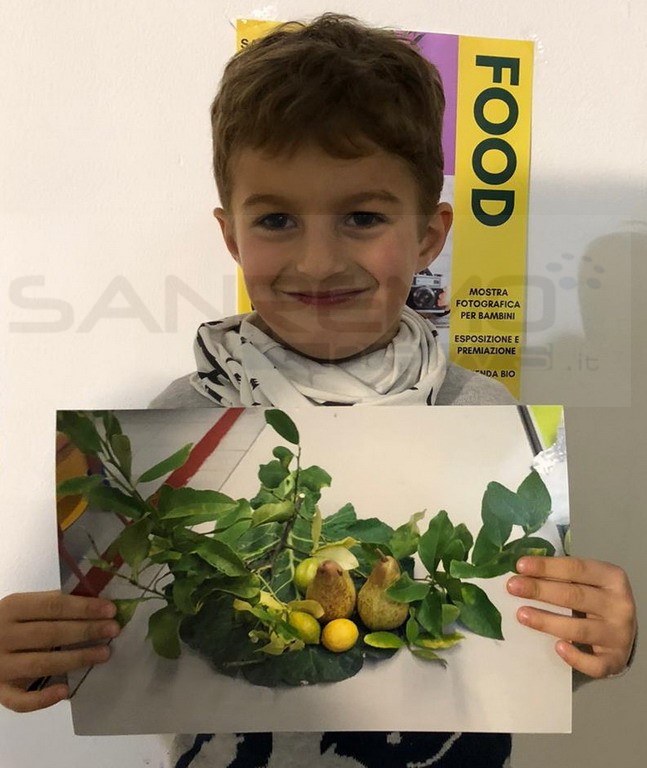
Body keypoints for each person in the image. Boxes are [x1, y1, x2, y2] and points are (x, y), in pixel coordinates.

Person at [0, 13, 637, 768]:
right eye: (276, 219)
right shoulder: (177, 424)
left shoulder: (484, 417)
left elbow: (521, 657)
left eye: (362, 217)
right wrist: (36, 658)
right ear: (231, 235)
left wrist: (597, 640)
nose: (317, 261)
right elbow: (121, 652)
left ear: (429, 235)